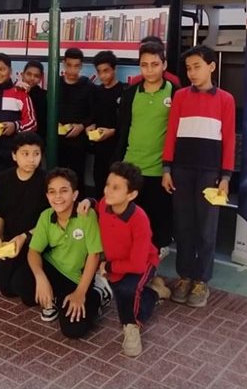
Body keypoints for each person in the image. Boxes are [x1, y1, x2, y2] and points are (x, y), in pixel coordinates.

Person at [163, 45, 236, 308]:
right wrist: (167, 169)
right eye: (188, 68)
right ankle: (184, 276)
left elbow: (229, 140)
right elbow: (171, 133)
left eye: (197, 66)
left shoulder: (225, 99)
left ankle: (202, 280)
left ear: (211, 67)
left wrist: (226, 176)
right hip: (181, 171)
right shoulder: (180, 96)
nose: (192, 73)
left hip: (210, 174)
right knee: (183, 226)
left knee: (207, 228)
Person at [90, 162, 170, 357]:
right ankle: (154, 292)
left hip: (144, 263)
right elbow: (96, 205)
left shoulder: (139, 219)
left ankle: (131, 327)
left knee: (126, 291)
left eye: (116, 188)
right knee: (122, 293)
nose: (108, 191)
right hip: (118, 263)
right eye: (108, 184)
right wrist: (88, 201)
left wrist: (108, 266)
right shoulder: (105, 204)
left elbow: (137, 264)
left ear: (131, 195)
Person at [16, 168, 104, 339]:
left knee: (73, 330)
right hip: (53, 267)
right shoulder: (46, 216)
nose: (57, 197)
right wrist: (41, 278)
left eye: (64, 191)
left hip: (75, 278)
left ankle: (98, 294)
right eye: (52, 192)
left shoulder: (86, 215)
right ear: (47, 196)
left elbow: (94, 255)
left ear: (75, 194)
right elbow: (34, 251)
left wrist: (80, 293)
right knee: (22, 286)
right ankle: (54, 299)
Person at [114, 40, 176, 254]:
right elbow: (123, 130)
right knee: (130, 219)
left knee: (156, 220)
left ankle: (154, 257)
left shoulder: (175, 93)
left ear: (164, 65)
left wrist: (170, 167)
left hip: (160, 170)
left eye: (155, 64)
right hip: (131, 167)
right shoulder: (130, 93)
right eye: (144, 65)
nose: (149, 70)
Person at [0, 132, 48, 300]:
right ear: (14, 155)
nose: (31, 159)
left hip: (36, 241)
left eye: (36, 154)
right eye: (25, 154)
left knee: (26, 292)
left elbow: (49, 220)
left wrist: (25, 236)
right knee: (7, 289)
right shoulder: (4, 178)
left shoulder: (46, 180)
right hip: (11, 241)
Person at [56, 48, 94, 189]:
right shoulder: (56, 83)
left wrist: (81, 126)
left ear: (81, 66)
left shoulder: (87, 86)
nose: (72, 70)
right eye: (69, 65)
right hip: (56, 140)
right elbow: (47, 108)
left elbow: (93, 113)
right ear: (64, 64)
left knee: (77, 177)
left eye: (76, 66)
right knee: (56, 176)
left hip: (78, 142)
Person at [88, 50, 124, 196]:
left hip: (118, 149)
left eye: (106, 71)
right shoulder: (96, 91)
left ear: (114, 69)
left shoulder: (125, 91)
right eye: (99, 71)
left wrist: (113, 131)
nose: (102, 75)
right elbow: (92, 116)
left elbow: (127, 122)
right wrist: (89, 127)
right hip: (99, 149)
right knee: (99, 184)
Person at [19, 60, 47, 141]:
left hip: (38, 140)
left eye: (36, 76)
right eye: (29, 74)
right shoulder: (14, 92)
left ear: (41, 78)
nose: (32, 78)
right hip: (17, 139)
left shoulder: (46, 96)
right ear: (22, 74)